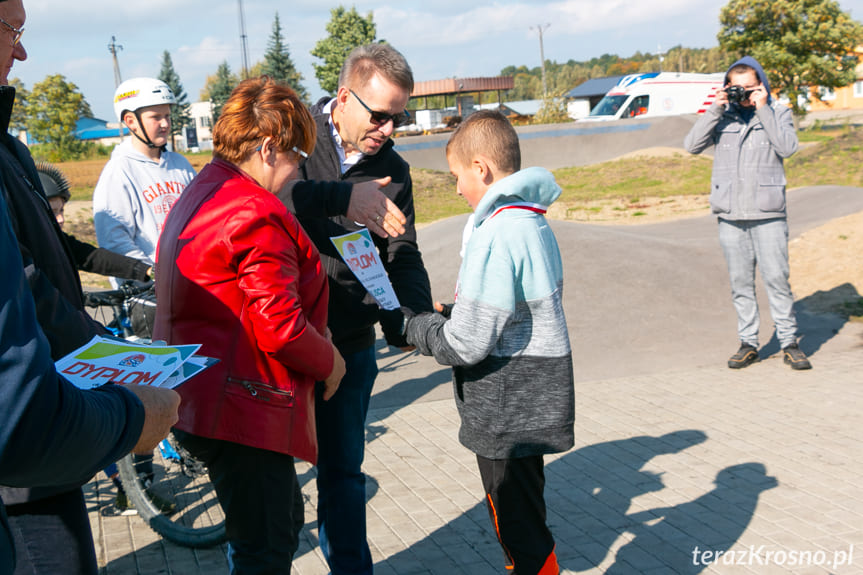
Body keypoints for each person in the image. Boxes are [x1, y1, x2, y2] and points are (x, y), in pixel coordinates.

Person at [0, 3, 180, 572]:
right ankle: (135, 484)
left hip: (50, 432)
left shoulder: (10, 149)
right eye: (13, 31)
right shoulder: (116, 173)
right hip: (25, 465)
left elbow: (57, 254)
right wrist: (116, 374)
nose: (22, 51)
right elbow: (31, 289)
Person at [153, 76, 346, 574]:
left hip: (203, 394)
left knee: (265, 531)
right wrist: (330, 361)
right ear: (266, 148)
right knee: (267, 545)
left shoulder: (204, 187)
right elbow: (279, 325)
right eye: (296, 158)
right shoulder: (252, 210)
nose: (296, 172)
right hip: (243, 406)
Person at [277, 43, 433, 574]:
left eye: (400, 117)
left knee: (343, 475)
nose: (389, 128)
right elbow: (271, 199)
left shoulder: (394, 168)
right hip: (279, 338)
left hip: (349, 339)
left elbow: (401, 252)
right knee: (272, 480)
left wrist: (414, 317)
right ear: (343, 98)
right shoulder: (292, 136)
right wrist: (342, 199)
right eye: (381, 115)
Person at [403, 110, 575, 575]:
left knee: (517, 532)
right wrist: (457, 313)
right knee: (528, 519)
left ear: (481, 169)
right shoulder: (531, 221)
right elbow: (512, 313)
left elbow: (467, 344)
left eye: (457, 176)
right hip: (531, 400)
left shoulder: (496, 232)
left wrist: (413, 327)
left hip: (505, 408)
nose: (457, 188)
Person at [684, 56, 812, 371]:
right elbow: (691, 146)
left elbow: (787, 147)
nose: (743, 94)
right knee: (740, 283)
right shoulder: (721, 117)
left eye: (749, 88)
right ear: (727, 88)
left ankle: (789, 343)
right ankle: (748, 343)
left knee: (777, 280)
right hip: (730, 215)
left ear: (762, 87)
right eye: (736, 88)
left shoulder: (778, 112)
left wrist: (763, 108)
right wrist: (715, 107)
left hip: (768, 213)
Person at [92, 77, 196, 280]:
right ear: (131, 121)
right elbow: (114, 240)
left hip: (189, 283)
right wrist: (152, 274)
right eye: (156, 117)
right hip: (146, 293)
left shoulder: (181, 165)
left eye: (167, 115)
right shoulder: (119, 171)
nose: (165, 124)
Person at [36, 161, 152, 282]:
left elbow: (93, 258)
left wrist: (145, 270)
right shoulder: (22, 251)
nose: (61, 219)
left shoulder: (58, 241)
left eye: (61, 210)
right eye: (53, 212)